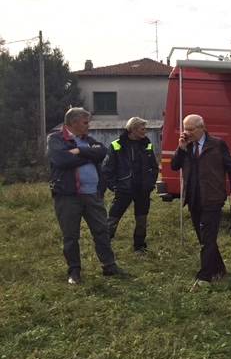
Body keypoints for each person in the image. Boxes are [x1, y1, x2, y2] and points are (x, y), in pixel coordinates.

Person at [47, 107, 127, 284]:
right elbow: (62, 160)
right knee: (71, 235)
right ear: (73, 122)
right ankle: (74, 272)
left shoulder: (88, 140)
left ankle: (109, 265)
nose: (88, 126)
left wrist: (80, 152)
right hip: (68, 196)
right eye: (85, 122)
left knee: (102, 231)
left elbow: (102, 151)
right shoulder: (56, 139)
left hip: (93, 195)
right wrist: (90, 156)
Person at [170, 114, 231, 291]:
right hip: (193, 198)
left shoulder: (217, 144)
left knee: (208, 239)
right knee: (204, 238)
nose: (187, 133)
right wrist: (181, 149)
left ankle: (204, 277)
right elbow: (174, 166)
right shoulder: (187, 145)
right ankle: (220, 269)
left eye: (191, 129)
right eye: (185, 129)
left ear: (202, 128)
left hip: (213, 198)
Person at [103, 117, 159, 254]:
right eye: (142, 129)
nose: (145, 131)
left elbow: (154, 167)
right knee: (113, 218)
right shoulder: (116, 145)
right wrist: (114, 186)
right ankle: (104, 245)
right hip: (124, 189)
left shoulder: (147, 144)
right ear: (133, 129)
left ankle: (139, 247)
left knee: (141, 220)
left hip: (142, 190)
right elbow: (107, 169)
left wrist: (150, 183)